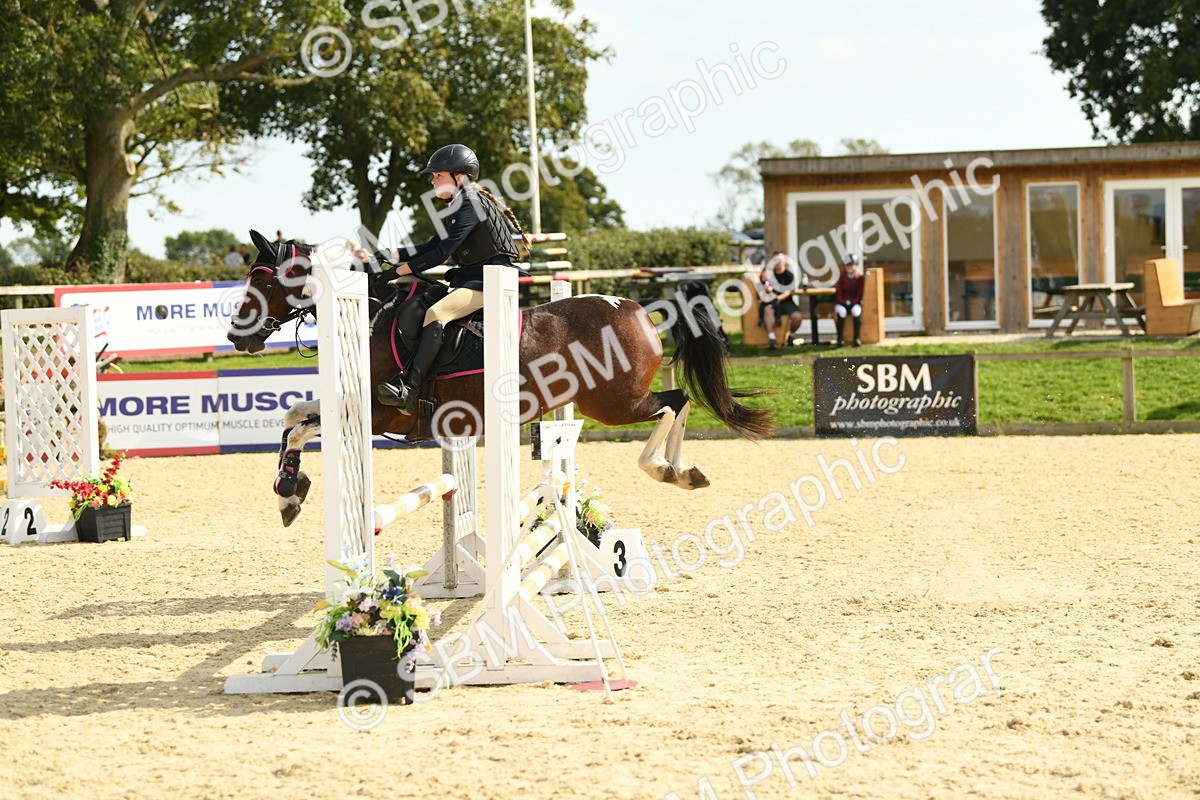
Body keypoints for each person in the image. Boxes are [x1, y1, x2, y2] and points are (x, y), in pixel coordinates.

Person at [374, 144, 529, 413]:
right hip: (476, 278)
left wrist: (397, 272)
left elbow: (442, 254)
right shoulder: (462, 203)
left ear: (460, 177)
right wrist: (391, 253)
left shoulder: (470, 204)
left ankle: (410, 389)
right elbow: (433, 244)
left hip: (490, 281)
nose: (433, 181)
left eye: (438, 176)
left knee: (436, 313)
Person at [757, 252, 805, 350]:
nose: (777, 262)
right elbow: (762, 288)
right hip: (772, 303)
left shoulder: (789, 275)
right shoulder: (769, 275)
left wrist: (777, 298)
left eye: (780, 260)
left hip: (786, 302)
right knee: (767, 310)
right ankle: (772, 338)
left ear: (784, 262)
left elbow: (788, 293)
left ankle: (789, 335)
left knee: (797, 317)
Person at [834, 256, 866, 347]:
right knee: (841, 312)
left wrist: (854, 301)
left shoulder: (860, 278)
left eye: (852, 265)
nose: (850, 267)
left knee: (856, 312)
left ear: (856, 266)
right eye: (848, 265)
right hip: (842, 303)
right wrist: (843, 302)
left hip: (854, 302)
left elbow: (859, 293)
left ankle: (857, 338)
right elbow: (838, 293)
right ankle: (840, 339)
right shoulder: (841, 278)